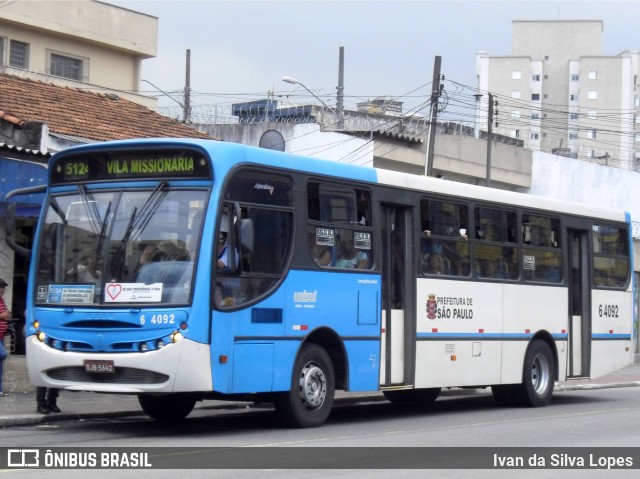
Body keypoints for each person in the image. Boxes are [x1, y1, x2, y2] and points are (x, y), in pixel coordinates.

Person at [0, 278, 10, 397]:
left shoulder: (1, 301)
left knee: (0, 365)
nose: (2, 289)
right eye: (0, 287)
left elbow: (6, 314)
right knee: (2, 354)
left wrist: (7, 314)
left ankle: (0, 390)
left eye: (3, 287)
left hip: (1, 336)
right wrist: (2, 315)